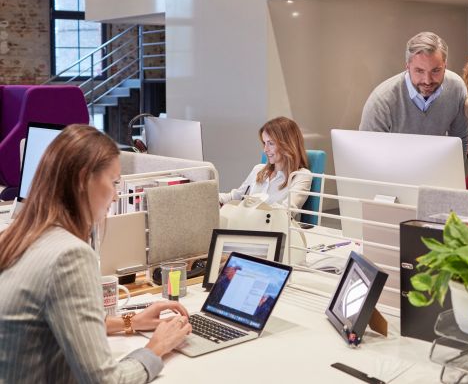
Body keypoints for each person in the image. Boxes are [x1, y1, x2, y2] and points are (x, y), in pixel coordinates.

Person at [0, 124, 192, 383]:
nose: (115, 196)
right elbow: (105, 381)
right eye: (113, 182)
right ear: (82, 179)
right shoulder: (69, 255)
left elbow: (66, 324)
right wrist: (157, 347)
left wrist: (131, 321)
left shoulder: (20, 236)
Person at [359, 31, 468, 152]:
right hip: (392, 168)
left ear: (445, 66)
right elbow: (368, 152)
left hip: (436, 167)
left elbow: (460, 139)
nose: (427, 81)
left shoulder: (456, 88)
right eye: (419, 71)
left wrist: (455, 171)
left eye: (436, 70)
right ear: (407, 67)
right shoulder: (381, 101)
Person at [219, 116, 313, 209]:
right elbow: (235, 196)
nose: (265, 150)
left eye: (271, 143)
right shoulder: (258, 169)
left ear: (287, 144)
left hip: (275, 223)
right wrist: (212, 198)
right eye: (264, 143)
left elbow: (286, 212)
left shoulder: (301, 176)